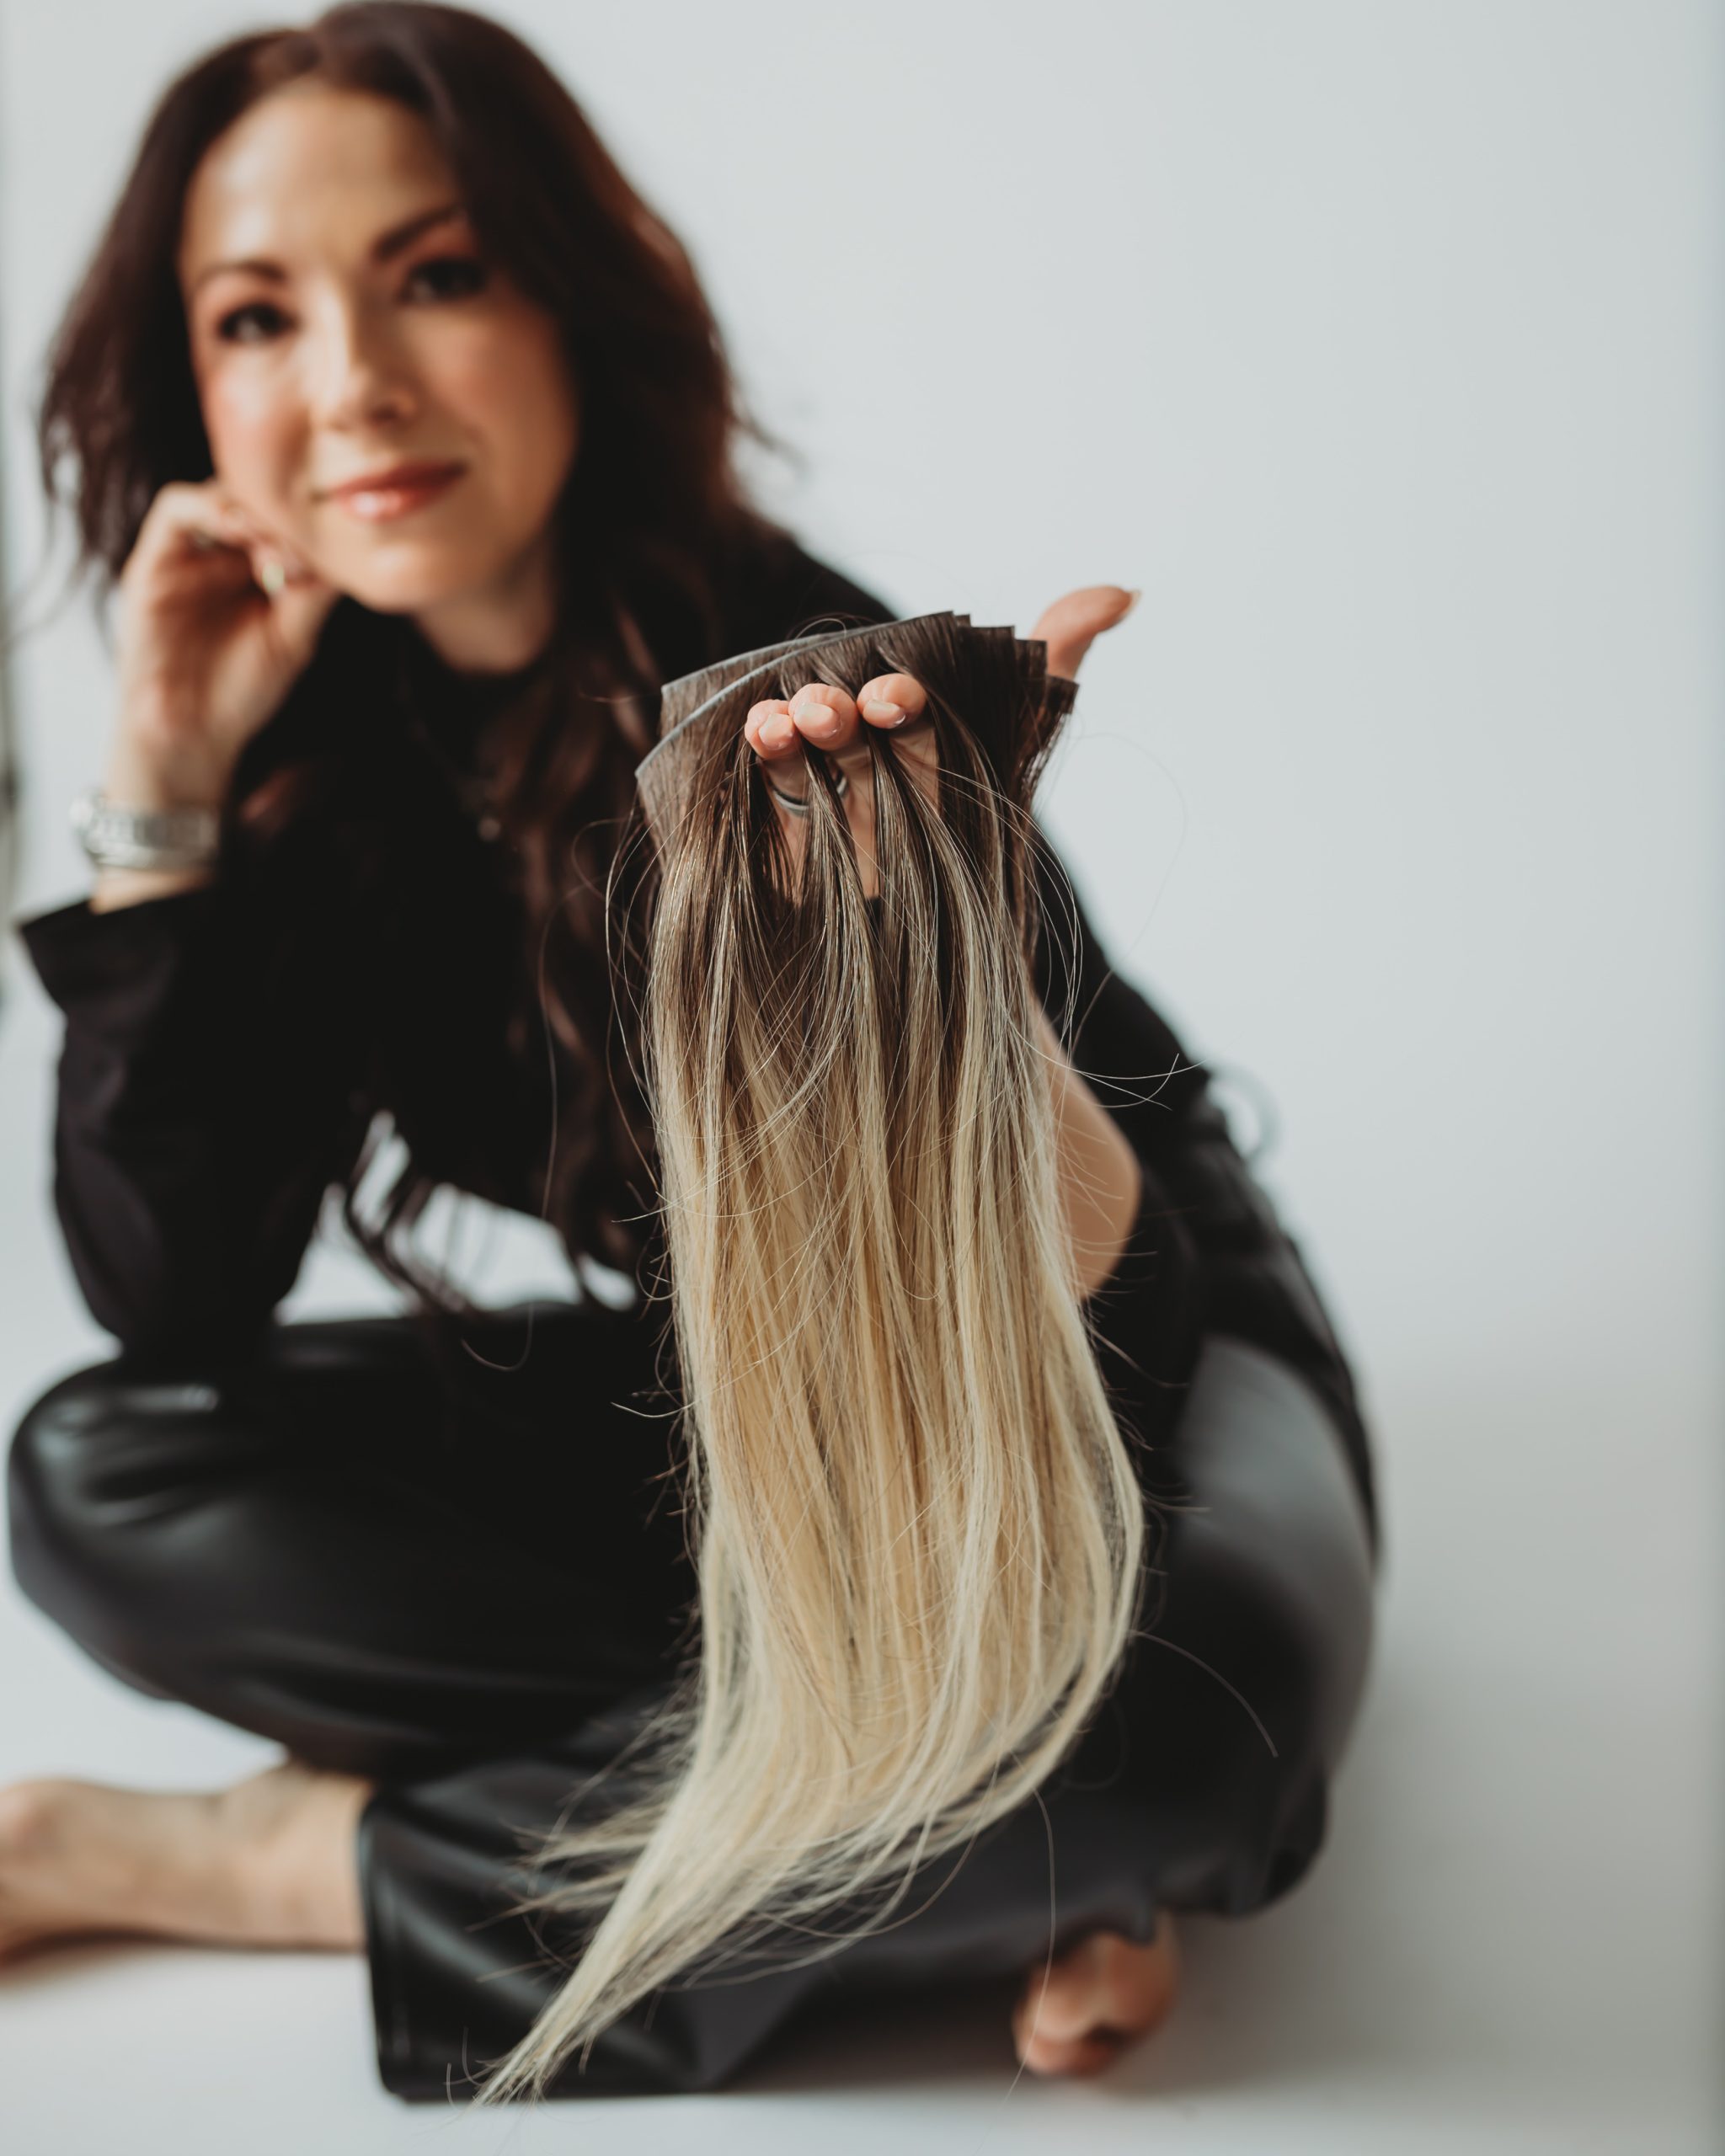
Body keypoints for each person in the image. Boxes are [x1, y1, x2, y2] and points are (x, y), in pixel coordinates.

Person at [2, 2, 1382, 2102]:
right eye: (258, 317)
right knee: (100, 1473)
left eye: (437, 275)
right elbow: (170, 1300)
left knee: (1202, 1734)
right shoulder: (321, 743)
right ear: (194, 386)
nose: (351, 381)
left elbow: (1132, 1342)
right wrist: (164, 787)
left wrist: (942, 1005)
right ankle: (969, 1832)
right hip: (775, 1439)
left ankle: (272, 1859)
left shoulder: (799, 692)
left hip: (1130, 1387)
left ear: (573, 306)